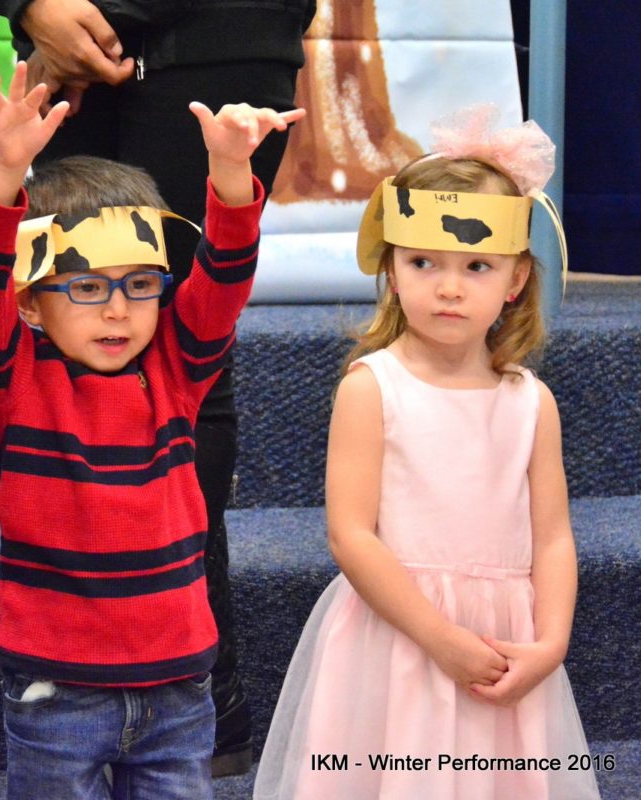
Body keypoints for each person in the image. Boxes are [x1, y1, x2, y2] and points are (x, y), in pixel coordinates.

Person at [0, 61, 302, 797]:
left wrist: (230, 172)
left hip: (178, 686)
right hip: (57, 691)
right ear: (33, 304)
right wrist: (6, 174)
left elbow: (225, 273)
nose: (118, 310)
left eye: (141, 285)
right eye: (86, 287)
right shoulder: (15, 384)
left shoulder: (175, 369)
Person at [253, 110, 600, 799]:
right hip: (401, 640)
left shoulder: (530, 402)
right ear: (391, 270)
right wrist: (438, 637)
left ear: (514, 281)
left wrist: (551, 642)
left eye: (476, 265)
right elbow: (350, 535)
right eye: (423, 263)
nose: (448, 286)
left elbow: (553, 536)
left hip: (507, 643)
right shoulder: (371, 388)